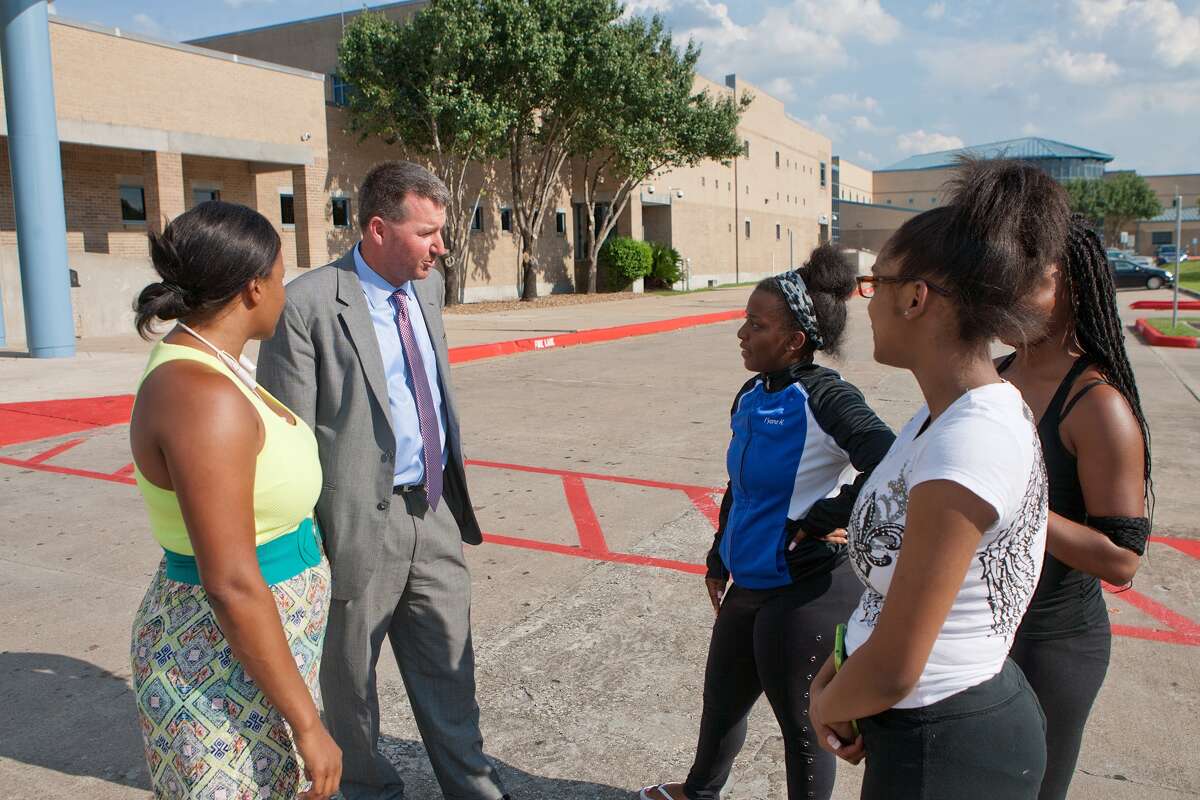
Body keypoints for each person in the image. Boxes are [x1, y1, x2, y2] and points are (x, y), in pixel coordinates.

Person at [809, 159, 1070, 799]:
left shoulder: (971, 438)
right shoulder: (940, 415)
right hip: (918, 727)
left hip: (946, 747)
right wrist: (838, 678)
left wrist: (827, 705)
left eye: (875, 284)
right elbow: (893, 599)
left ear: (915, 295)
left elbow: (900, 665)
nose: (864, 304)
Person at [257, 162, 509, 800]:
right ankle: (369, 790)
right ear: (376, 229)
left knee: (451, 668)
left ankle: (473, 789)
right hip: (352, 527)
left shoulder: (427, 289)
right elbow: (285, 439)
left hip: (434, 510)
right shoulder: (308, 306)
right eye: (427, 233)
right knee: (350, 687)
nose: (441, 247)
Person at [640, 245, 896, 800]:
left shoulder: (825, 395)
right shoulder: (753, 393)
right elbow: (742, 485)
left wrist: (829, 514)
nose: (742, 333)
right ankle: (699, 790)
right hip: (749, 578)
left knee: (804, 727)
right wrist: (718, 554)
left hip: (807, 584)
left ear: (794, 340)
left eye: (757, 325)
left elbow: (893, 460)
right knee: (723, 697)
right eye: (745, 320)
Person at [128, 201, 341, 799]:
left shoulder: (220, 365)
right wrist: (308, 724)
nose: (284, 291)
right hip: (217, 661)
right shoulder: (201, 395)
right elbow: (230, 580)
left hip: (258, 656)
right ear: (252, 288)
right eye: (279, 278)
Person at [1001, 215, 1152, 800]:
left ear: (1073, 285)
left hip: (1052, 645)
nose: (1004, 293)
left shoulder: (1096, 403)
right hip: (983, 630)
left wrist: (1018, 503)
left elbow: (1121, 559)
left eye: (1024, 279)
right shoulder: (993, 377)